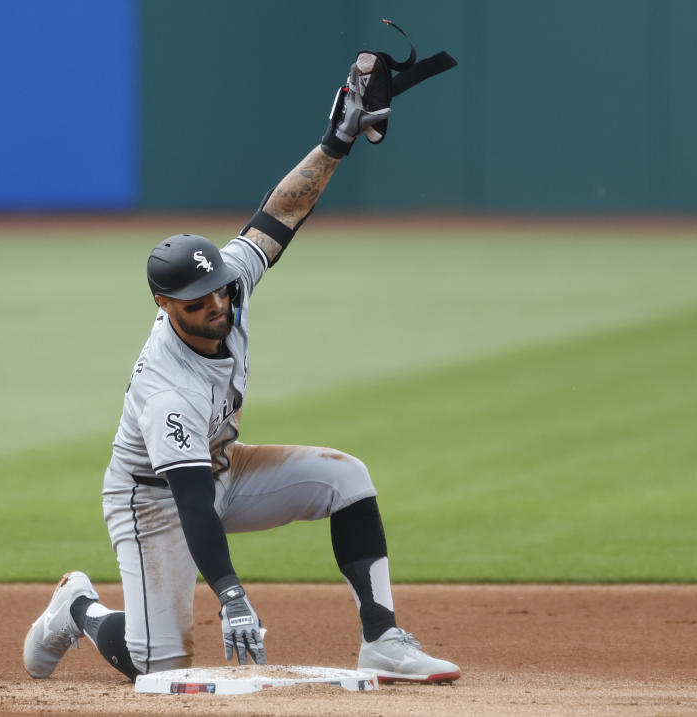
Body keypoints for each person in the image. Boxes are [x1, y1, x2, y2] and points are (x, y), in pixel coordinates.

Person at [23, 59, 461, 684]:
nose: (218, 305)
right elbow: (194, 505)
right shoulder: (166, 388)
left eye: (220, 291)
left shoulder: (227, 284)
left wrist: (334, 145)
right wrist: (229, 593)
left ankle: (384, 639)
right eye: (199, 301)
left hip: (223, 465)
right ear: (164, 306)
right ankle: (79, 608)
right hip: (154, 501)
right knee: (159, 663)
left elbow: (279, 214)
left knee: (347, 479)